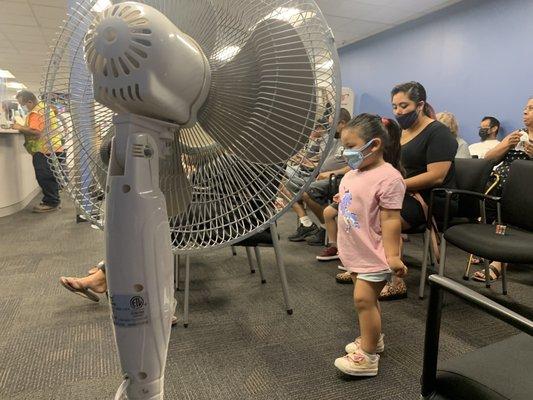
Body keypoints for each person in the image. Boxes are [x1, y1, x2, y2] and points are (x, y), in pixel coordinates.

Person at [336, 82, 457, 300]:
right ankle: (363, 267)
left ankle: (394, 280)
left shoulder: (439, 132)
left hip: (431, 198)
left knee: (382, 218)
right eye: (395, 107)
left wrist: (394, 186)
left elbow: (437, 175)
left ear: (420, 105)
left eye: (404, 105)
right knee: (359, 210)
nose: (398, 112)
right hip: (401, 191)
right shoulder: (401, 132)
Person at [332, 113, 407, 376]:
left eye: (351, 147)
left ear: (374, 145)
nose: (345, 152)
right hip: (355, 250)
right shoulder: (354, 173)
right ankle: (372, 339)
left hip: (374, 252)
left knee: (363, 300)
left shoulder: (389, 178)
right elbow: (355, 199)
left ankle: (368, 357)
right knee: (369, 300)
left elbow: (390, 220)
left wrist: (393, 256)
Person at [471, 98, 533, 282]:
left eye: (531, 108)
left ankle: (498, 262)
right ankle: (494, 249)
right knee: (490, 198)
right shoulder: (517, 135)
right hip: (497, 184)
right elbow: (489, 159)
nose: (525, 112)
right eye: (525, 108)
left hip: (525, 192)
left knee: (511, 200)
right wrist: (507, 145)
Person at [288, 108, 351, 244]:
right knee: (284, 182)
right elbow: (323, 159)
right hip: (319, 175)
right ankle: (306, 223)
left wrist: (327, 173)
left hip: (336, 179)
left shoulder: (350, 140)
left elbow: (353, 166)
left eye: (332, 124)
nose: (329, 128)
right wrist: (309, 163)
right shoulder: (335, 140)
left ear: (342, 123)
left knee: (307, 192)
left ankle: (325, 228)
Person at [11, 90, 63, 212]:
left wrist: (19, 127)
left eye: (23, 104)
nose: (23, 107)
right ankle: (54, 200)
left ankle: (51, 203)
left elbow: (36, 131)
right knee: (50, 176)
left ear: (29, 101)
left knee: (44, 176)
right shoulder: (45, 108)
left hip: (44, 149)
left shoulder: (36, 112)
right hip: (53, 147)